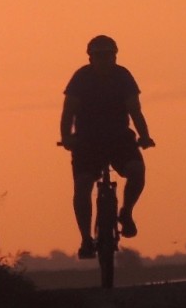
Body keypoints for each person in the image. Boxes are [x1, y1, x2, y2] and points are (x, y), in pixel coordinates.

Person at [60, 35, 155, 258]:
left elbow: (135, 110)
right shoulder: (81, 78)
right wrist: (66, 137)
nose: (105, 60)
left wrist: (145, 136)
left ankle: (126, 212)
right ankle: (86, 239)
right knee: (82, 186)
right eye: (99, 56)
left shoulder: (123, 76)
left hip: (119, 138)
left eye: (109, 55)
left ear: (115, 56)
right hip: (87, 141)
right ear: (90, 58)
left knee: (137, 171)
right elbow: (68, 112)